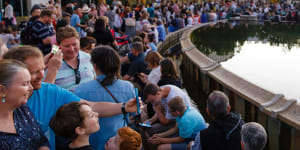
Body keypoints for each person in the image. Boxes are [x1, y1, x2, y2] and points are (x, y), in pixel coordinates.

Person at [3, 45, 139, 150]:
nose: (41, 75)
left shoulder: (47, 93)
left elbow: (89, 106)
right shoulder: (17, 107)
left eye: (42, 69)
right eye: (33, 73)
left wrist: (124, 107)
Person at [75, 46, 135, 150]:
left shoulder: (81, 89)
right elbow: (133, 114)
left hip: (91, 142)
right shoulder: (128, 87)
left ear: (95, 66)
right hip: (118, 142)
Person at [0, 59, 49, 149]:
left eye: (30, 82)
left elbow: (41, 140)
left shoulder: (22, 109)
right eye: (25, 84)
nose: (31, 88)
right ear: (2, 90)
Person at [53, 26, 95, 92]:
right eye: (67, 46)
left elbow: (95, 79)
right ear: (58, 46)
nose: (71, 49)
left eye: (74, 44)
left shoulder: (88, 57)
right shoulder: (52, 64)